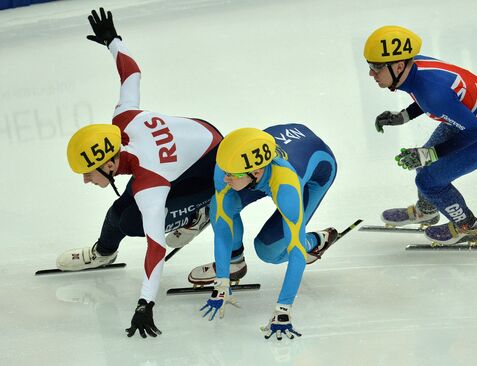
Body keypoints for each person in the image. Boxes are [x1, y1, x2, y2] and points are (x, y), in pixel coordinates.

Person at [57, 8, 223, 338]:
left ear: (108, 163)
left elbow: (156, 247)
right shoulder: (122, 120)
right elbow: (131, 75)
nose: (86, 179)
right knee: (117, 211)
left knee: (133, 221)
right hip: (194, 140)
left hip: (208, 169)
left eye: (89, 172)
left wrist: (145, 302)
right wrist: (112, 42)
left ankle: (198, 214)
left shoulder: (149, 183)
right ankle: (103, 253)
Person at [363, 25, 477, 244]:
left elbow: (474, 130)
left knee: (428, 180)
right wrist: (404, 116)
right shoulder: (414, 66)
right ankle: (428, 208)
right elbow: (431, 97)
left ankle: (467, 226)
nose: (371, 73)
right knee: (423, 163)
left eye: (375, 67)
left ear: (398, 66)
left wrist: (429, 154)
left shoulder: (433, 93)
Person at [194, 125, 338, 340]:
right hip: (283, 147)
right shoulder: (226, 168)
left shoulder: (286, 184)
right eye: (225, 171)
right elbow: (223, 226)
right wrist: (222, 280)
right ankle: (236, 261)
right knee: (219, 206)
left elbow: (295, 252)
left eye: (232, 175)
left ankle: (316, 241)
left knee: (270, 251)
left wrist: (283, 309)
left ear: (257, 171)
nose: (225, 178)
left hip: (316, 169)